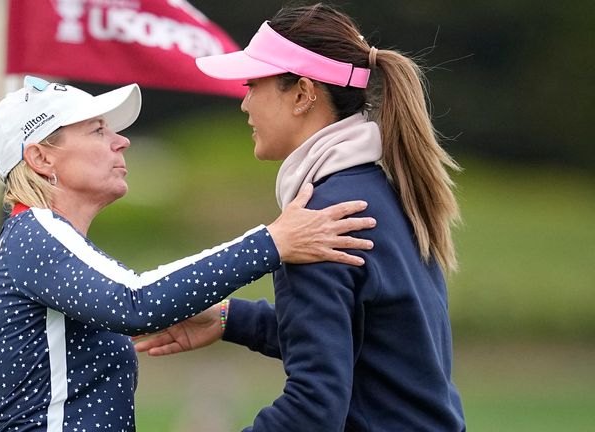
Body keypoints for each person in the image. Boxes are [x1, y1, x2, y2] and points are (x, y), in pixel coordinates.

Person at [0, 75, 376, 431]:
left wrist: (227, 314)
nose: (121, 141)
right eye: (97, 131)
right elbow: (136, 302)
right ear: (41, 158)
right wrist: (272, 242)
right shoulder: (36, 234)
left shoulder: (37, 239)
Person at [134, 3, 466, 431]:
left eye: (254, 84)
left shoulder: (317, 223)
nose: (245, 103)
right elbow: (359, 340)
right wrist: (230, 318)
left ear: (303, 94)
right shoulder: (382, 189)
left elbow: (313, 410)